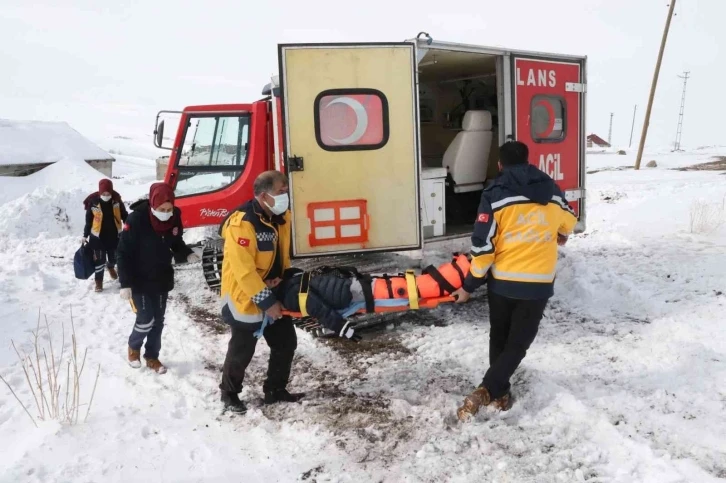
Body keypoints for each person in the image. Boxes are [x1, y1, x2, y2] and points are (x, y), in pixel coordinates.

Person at [452, 141, 577, 421]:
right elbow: (570, 222)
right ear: (529, 161)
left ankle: (488, 389)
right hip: (538, 285)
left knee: (500, 336)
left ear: (499, 165)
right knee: (517, 344)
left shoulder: (494, 195)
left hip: (504, 283)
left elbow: (483, 249)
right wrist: (559, 231)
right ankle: (498, 392)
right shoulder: (552, 191)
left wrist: (469, 286)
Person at [217, 170, 304, 414]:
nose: (286, 196)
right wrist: (267, 302)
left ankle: (275, 390)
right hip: (246, 295)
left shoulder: (280, 217)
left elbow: (279, 255)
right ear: (264, 196)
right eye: (281, 192)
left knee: (285, 343)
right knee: (242, 349)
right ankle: (229, 393)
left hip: (274, 288)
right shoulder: (242, 224)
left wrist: (283, 281)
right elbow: (244, 271)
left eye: (286, 191)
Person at [116, 182, 199, 374]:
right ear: (153, 204)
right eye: (162, 209)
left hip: (161, 277)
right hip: (138, 279)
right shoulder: (136, 219)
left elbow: (176, 242)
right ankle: (133, 348)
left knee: (159, 320)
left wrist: (186, 253)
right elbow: (123, 252)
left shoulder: (174, 216)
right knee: (146, 319)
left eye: (169, 209)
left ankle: (152, 357)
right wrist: (125, 283)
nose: (166, 212)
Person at [82, 179, 128, 292]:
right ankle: (99, 282)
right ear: (100, 192)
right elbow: (88, 221)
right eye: (103, 194)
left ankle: (111, 266)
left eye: (108, 194)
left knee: (114, 258)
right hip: (97, 238)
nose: (106, 196)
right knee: (99, 261)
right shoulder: (93, 203)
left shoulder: (117, 202)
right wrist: (85, 235)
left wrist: (130, 225)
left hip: (114, 237)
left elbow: (124, 215)